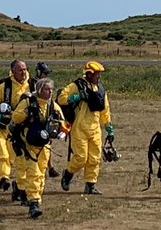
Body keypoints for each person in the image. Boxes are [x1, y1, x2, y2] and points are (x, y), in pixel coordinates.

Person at [10, 77, 65, 219]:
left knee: (41, 172)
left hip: (44, 145)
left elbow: (63, 122)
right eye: (47, 89)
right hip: (28, 144)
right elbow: (15, 118)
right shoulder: (28, 102)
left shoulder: (52, 106)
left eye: (51, 89)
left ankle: (35, 197)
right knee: (33, 173)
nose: (50, 92)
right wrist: (27, 112)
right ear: (39, 90)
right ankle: (33, 203)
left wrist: (61, 132)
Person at [57, 60, 113, 195]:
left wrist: (109, 127)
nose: (99, 77)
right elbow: (61, 98)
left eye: (100, 74)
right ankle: (68, 174)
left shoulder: (100, 89)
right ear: (89, 74)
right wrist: (75, 97)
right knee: (81, 158)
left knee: (94, 158)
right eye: (97, 74)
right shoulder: (76, 86)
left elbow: (105, 110)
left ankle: (90, 185)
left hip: (95, 130)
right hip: (79, 128)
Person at [0, 59, 35, 196]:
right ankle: (4, 178)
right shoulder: (4, 87)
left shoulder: (32, 85)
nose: (23, 72)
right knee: (2, 154)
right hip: (1, 127)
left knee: (13, 156)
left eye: (24, 69)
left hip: (18, 128)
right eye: (19, 70)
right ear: (13, 71)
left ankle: (15, 179)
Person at [35, 61, 60, 179]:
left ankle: (49, 167)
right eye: (44, 73)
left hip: (47, 118)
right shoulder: (34, 85)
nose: (46, 75)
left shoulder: (47, 85)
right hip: (36, 119)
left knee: (48, 143)